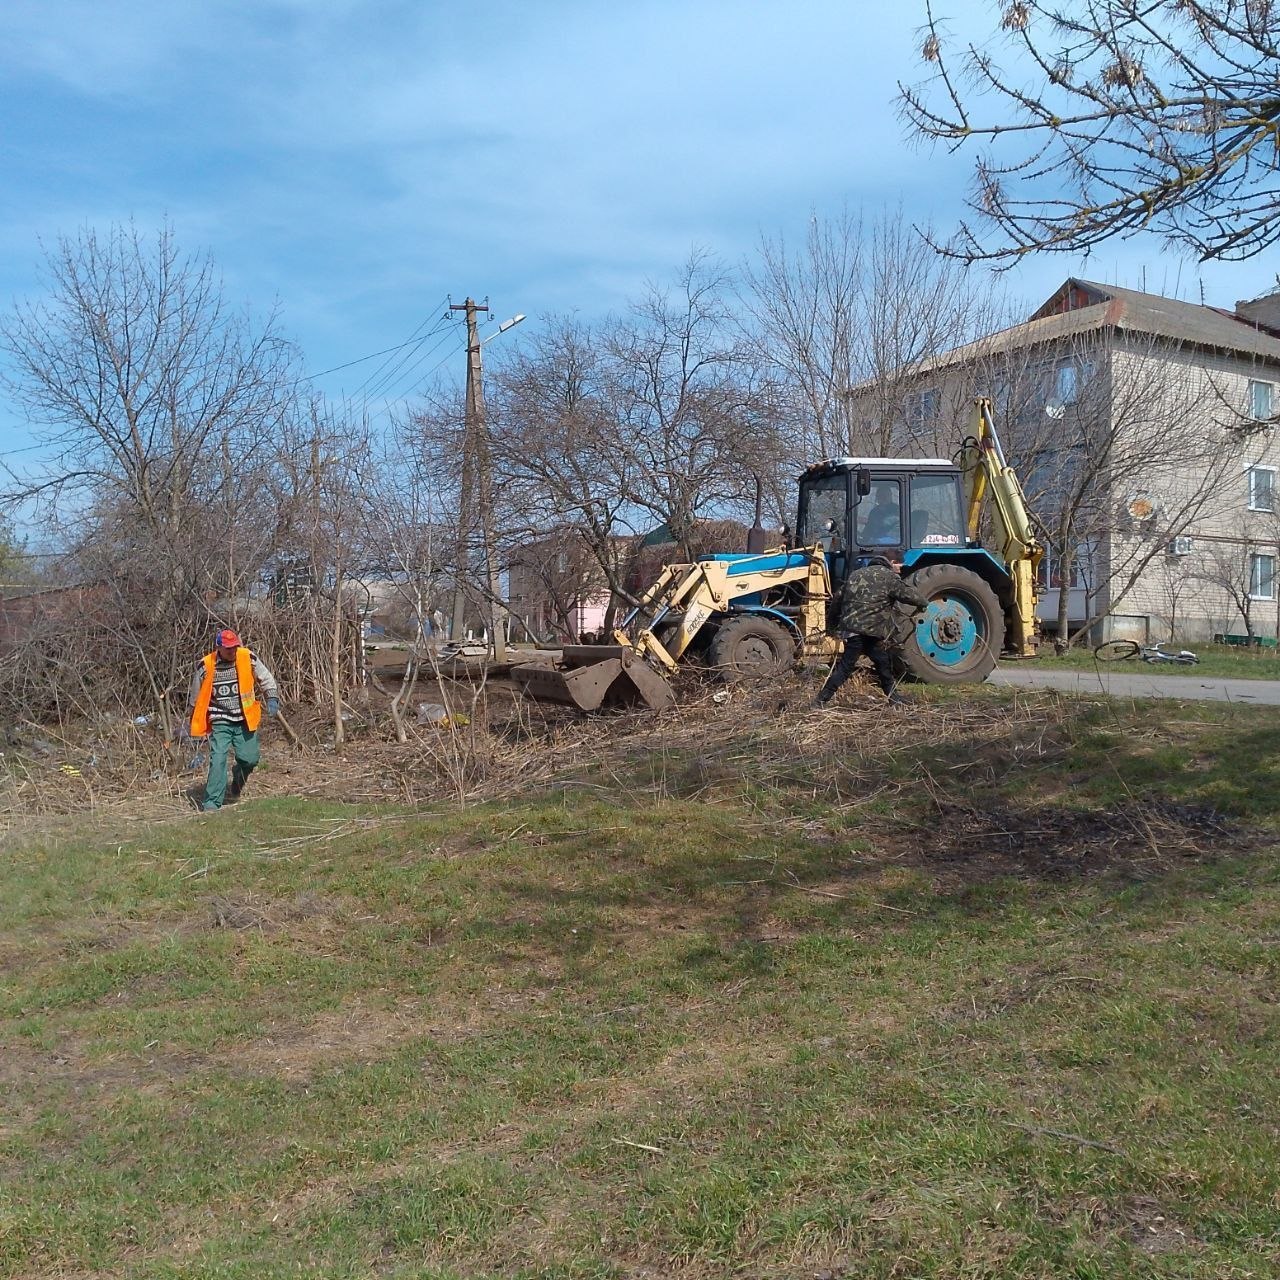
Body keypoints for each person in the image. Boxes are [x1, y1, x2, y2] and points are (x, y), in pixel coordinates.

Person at [816, 556, 929, 706]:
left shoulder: (855, 575)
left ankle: (893, 698)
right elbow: (908, 594)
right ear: (886, 565)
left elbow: (837, 598)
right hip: (872, 630)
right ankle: (821, 700)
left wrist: (831, 625)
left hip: (852, 630)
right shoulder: (888, 576)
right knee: (876, 665)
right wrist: (923, 603)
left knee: (868, 664)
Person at [187, 628, 279, 811]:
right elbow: (195, 696)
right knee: (218, 758)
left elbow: (266, 677)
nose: (232, 651)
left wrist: (272, 697)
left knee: (250, 759)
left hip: (245, 718)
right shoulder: (205, 665)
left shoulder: (248, 657)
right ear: (218, 647)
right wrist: (193, 716)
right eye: (228, 648)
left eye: (234, 647)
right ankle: (212, 802)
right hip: (220, 718)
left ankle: (239, 777)